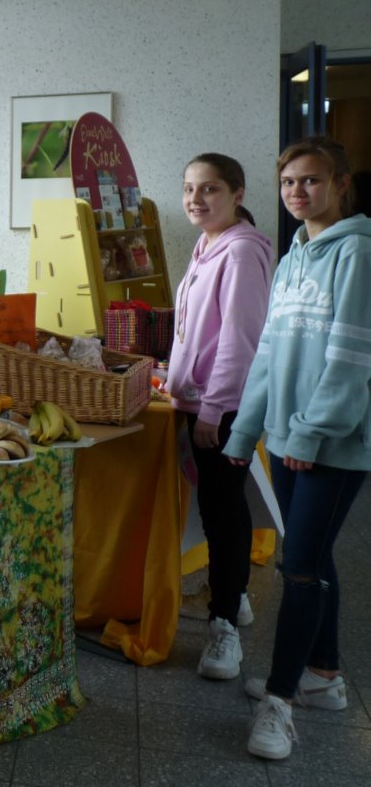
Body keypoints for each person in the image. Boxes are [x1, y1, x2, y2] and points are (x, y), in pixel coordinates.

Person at [224, 137, 371, 761]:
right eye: (288, 182)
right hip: (286, 438)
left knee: (300, 568)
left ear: (340, 184)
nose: (297, 192)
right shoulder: (292, 256)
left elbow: (352, 358)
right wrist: (244, 431)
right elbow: (266, 354)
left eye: (310, 180)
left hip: (331, 442)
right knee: (312, 555)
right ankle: (323, 676)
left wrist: (311, 431)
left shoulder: (358, 252)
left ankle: (280, 702)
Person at [165, 153, 271, 681]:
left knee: (223, 511)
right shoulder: (207, 246)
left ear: (237, 194)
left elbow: (238, 338)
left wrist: (213, 407)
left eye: (209, 189)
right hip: (198, 400)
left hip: (221, 407)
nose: (195, 199)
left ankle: (224, 624)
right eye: (189, 189)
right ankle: (236, 595)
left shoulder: (242, 251)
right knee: (218, 506)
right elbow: (196, 330)